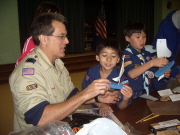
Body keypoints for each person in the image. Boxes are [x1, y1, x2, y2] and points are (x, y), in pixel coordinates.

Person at [9, 13, 119, 131]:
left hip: (58, 129)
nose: (67, 41)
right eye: (61, 36)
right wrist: (86, 93)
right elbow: (40, 117)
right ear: (43, 38)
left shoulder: (58, 64)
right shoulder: (27, 72)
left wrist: (97, 98)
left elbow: (71, 97)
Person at [82, 37, 133, 117]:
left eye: (113, 56)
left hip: (113, 109)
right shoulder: (91, 72)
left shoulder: (121, 77)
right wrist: (100, 104)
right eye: (104, 55)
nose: (109, 59)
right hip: (93, 105)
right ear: (97, 57)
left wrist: (126, 99)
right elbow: (83, 98)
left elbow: (121, 106)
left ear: (118, 60)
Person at [122, 21, 171, 99]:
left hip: (150, 90)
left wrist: (163, 73)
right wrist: (151, 63)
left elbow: (153, 73)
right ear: (127, 38)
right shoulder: (126, 55)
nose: (142, 40)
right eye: (138, 37)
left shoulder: (147, 54)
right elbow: (132, 74)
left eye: (144, 36)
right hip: (134, 93)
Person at [15, 2, 61, 66]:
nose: (54, 21)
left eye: (56, 17)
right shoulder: (32, 41)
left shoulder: (55, 41)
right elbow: (20, 64)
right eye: (50, 17)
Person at [152, 9, 180, 79]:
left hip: (170, 66)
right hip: (164, 67)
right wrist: (177, 75)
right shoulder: (167, 27)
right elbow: (161, 55)